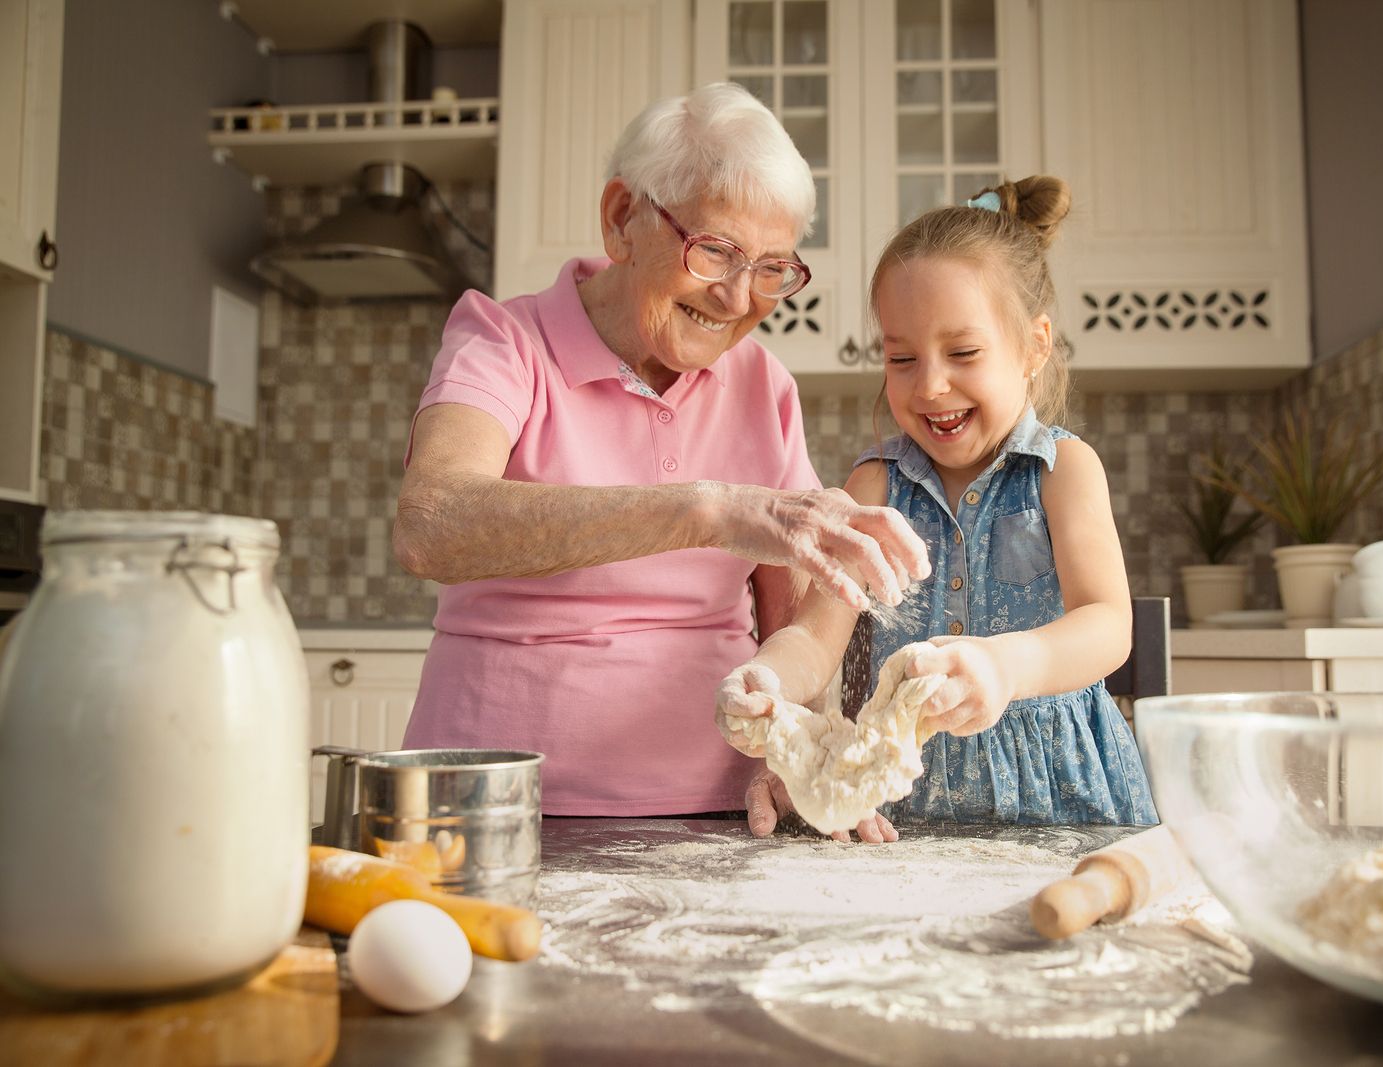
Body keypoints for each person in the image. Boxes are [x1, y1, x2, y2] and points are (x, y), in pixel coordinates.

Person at [393, 83, 930, 831]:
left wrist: (801, 758)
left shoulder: (762, 383)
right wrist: (708, 510)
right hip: (493, 805)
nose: (740, 298)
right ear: (623, 220)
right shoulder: (504, 341)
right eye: (716, 251)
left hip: (718, 813)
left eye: (773, 268)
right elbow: (433, 522)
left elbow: (796, 621)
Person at [716, 176, 1158, 839]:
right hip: (910, 819)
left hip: (1070, 808)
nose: (930, 384)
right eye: (901, 357)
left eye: (963, 352)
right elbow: (815, 636)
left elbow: (1107, 623)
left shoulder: (1063, 472)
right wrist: (767, 679)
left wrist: (1007, 666)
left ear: (1034, 345)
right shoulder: (873, 488)